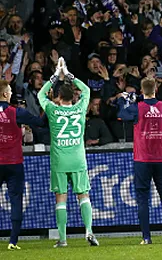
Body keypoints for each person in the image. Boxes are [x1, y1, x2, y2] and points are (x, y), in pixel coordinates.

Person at [37, 58, 99, 248]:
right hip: (78, 159)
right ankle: (89, 231)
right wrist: (69, 75)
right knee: (84, 195)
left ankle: (63, 239)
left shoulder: (52, 109)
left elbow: (40, 94)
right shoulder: (80, 108)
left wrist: (55, 75)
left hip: (59, 161)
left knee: (61, 198)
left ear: (57, 96)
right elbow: (87, 90)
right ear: (73, 96)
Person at [117, 77, 162, 244]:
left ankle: (146, 237)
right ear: (156, 90)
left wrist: (123, 100)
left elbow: (122, 114)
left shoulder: (137, 108)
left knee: (143, 199)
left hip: (143, 159)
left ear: (141, 90)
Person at [0, 80, 44, 250]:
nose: (11, 93)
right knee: (16, 201)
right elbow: (40, 123)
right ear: (5, 94)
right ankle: (13, 242)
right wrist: (48, 106)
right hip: (14, 164)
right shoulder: (17, 112)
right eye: (10, 90)